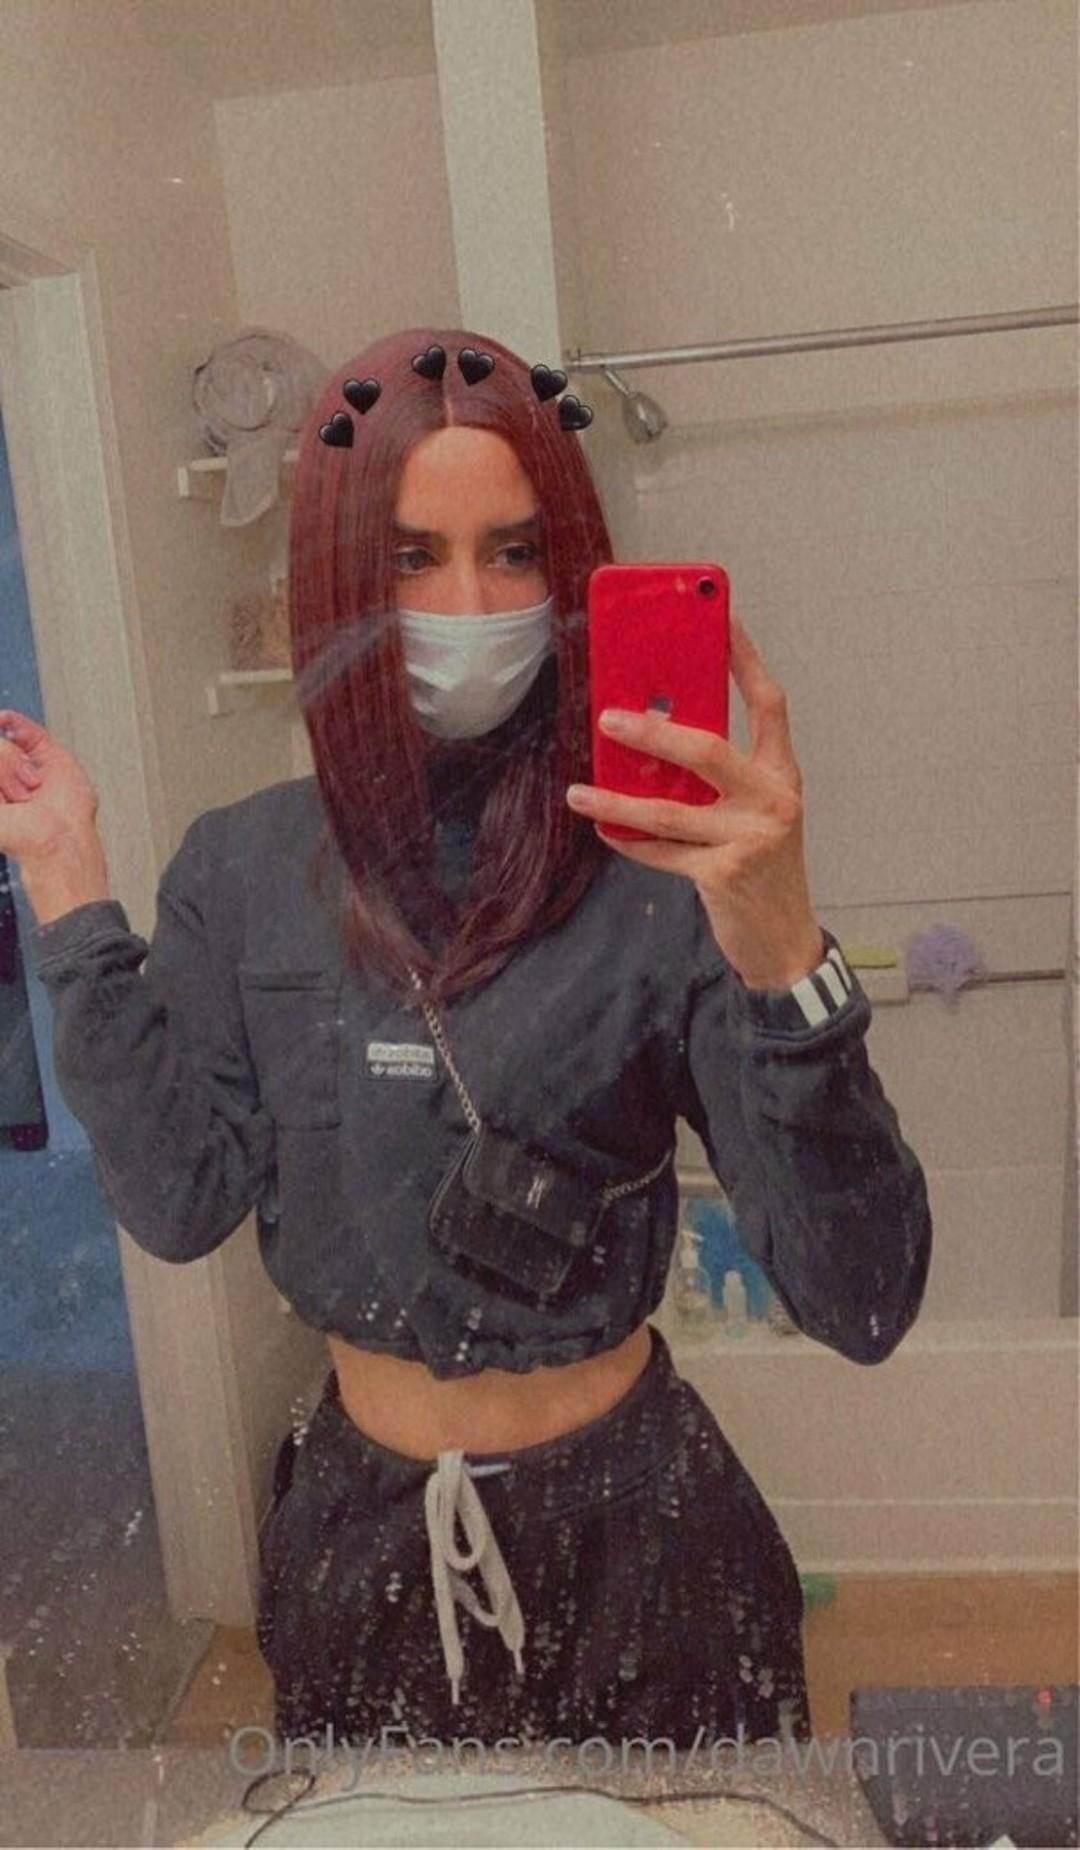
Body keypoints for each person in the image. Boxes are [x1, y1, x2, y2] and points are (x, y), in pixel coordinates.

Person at [0, 325, 932, 1756]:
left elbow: (861, 1299)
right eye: (408, 558)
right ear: (333, 581)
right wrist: (69, 890)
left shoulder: (661, 872)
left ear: (573, 574)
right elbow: (180, 1201)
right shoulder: (243, 871)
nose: (468, 604)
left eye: (514, 553)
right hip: (360, 1542)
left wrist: (784, 950)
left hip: (645, 1540)